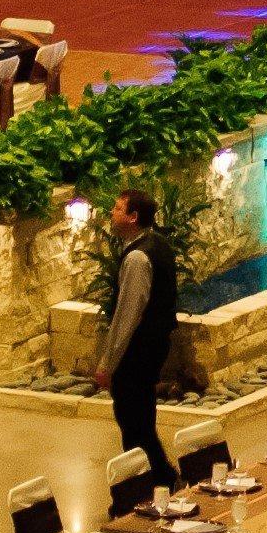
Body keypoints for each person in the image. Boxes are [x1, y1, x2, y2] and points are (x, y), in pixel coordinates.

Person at [90, 189, 174, 502]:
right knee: (142, 421)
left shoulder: (138, 258)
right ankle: (162, 480)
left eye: (116, 208)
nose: (111, 213)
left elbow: (127, 315)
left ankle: (140, 493)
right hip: (153, 348)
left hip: (137, 354)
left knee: (133, 425)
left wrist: (107, 364)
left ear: (133, 217)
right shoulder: (159, 246)